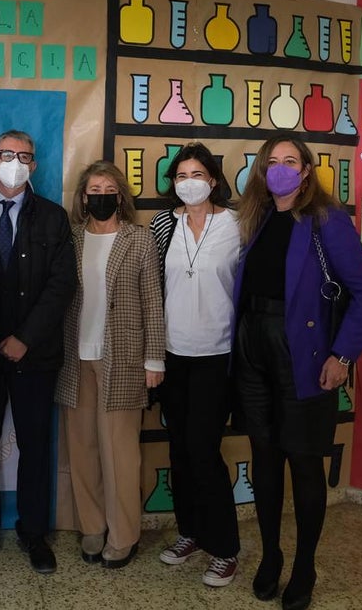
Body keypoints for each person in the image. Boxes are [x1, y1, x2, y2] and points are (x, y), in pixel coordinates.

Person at [233, 134, 362, 610]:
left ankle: (304, 567)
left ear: (305, 170)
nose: (280, 168)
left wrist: (343, 356)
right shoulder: (255, 217)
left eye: (290, 160)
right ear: (262, 170)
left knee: (303, 461)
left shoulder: (326, 220)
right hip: (253, 345)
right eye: (272, 161)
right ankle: (271, 555)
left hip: (305, 352)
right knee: (264, 455)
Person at [0, 130, 75, 574]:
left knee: (35, 444)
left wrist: (25, 337)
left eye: (24, 156)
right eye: (7, 154)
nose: (15, 162)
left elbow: (62, 284)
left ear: (35, 165)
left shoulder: (53, 217)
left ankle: (34, 533)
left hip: (35, 352)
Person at [56, 160, 165, 570]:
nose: (101, 196)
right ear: (83, 198)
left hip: (123, 358)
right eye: (93, 190)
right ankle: (92, 526)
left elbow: (153, 301)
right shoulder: (70, 238)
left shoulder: (139, 238)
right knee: (82, 449)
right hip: (73, 357)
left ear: (120, 196)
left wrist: (154, 358)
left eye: (108, 190)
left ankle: (123, 535)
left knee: (119, 452)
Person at [148, 143, 242, 587]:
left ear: (213, 180)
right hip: (172, 354)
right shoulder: (164, 224)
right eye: (181, 175)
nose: (189, 182)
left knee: (204, 451)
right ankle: (190, 532)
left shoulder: (237, 225)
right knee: (180, 450)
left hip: (217, 354)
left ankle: (224, 548)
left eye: (197, 174)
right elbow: (152, 288)